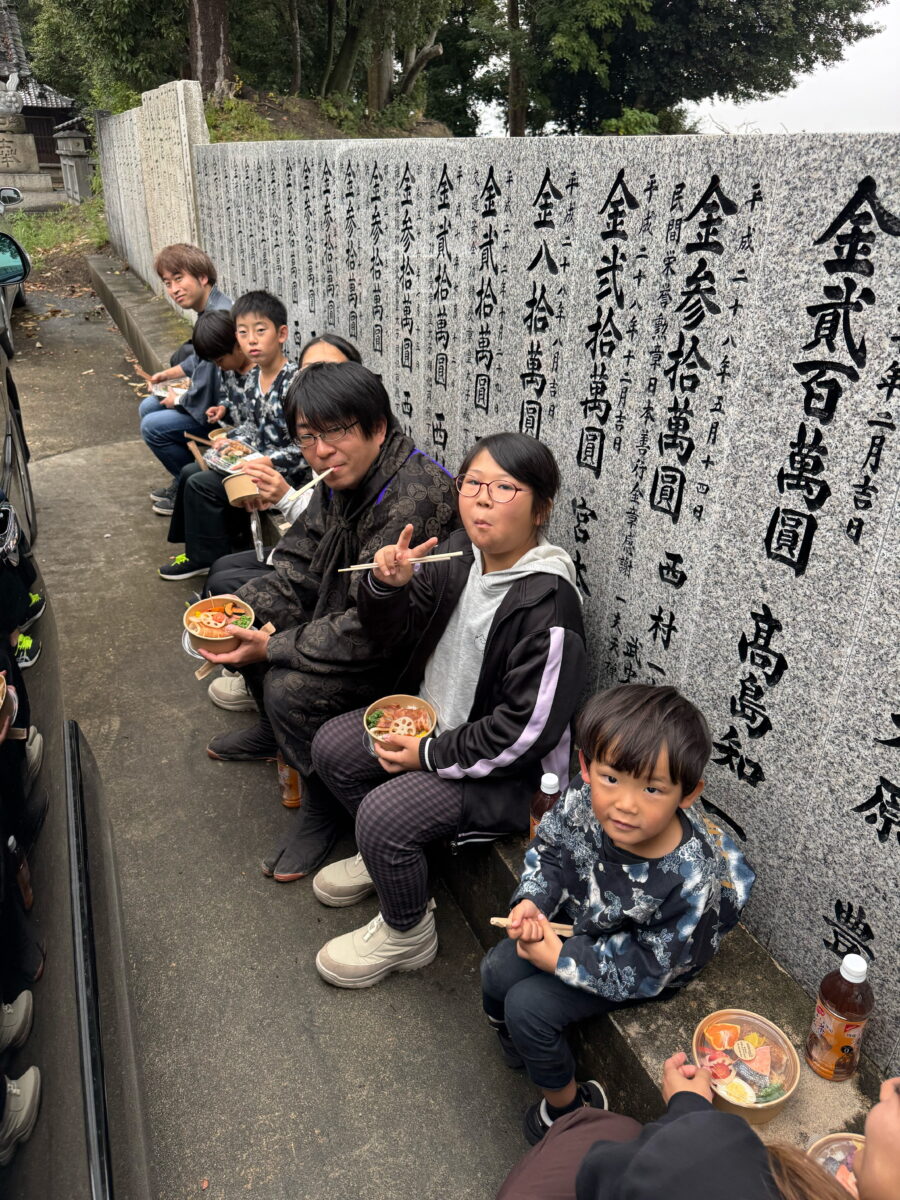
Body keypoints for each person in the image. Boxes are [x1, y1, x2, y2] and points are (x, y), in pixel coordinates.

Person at [307, 432, 587, 988]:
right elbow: (394, 637)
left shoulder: (548, 606)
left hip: (511, 775)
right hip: (433, 726)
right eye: (473, 483)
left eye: (504, 487)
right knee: (333, 749)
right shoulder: (460, 555)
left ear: (542, 508)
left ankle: (407, 931)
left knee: (384, 814)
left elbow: (523, 734)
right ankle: (384, 858)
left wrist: (427, 755)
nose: (481, 498)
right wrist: (389, 588)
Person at [480, 683, 756, 1144]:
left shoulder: (690, 878)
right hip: (582, 917)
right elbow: (550, 849)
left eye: (652, 788)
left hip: (638, 959)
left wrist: (564, 961)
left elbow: (652, 966)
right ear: (587, 767)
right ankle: (513, 1038)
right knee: (498, 968)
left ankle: (567, 1109)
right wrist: (532, 901)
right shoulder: (584, 797)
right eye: (611, 778)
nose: (625, 804)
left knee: (528, 1008)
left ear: (687, 793)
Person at [195, 361, 458, 807]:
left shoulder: (414, 495)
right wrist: (242, 614)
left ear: (377, 428)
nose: (320, 452)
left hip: (398, 647)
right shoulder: (340, 472)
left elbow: (371, 629)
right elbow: (302, 557)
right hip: (346, 616)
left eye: (335, 432)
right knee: (244, 612)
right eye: (307, 436)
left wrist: (274, 647)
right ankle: (273, 733)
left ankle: (325, 807)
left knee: (286, 686)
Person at [202, 332, 362, 713]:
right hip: (308, 558)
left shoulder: (352, 445)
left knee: (234, 584)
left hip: (334, 584)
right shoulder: (317, 436)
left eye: (331, 371)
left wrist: (285, 495)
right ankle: (249, 678)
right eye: (309, 372)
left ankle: (260, 684)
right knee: (225, 577)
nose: (320, 448)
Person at [495, 1051, 859, 1200]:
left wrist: (691, 1109)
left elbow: (604, 1172)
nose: (892, 1086)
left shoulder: (723, 1165)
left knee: (591, 1128)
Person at [158, 292, 302, 581]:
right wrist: (231, 440)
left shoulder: (295, 383)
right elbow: (250, 426)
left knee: (200, 484)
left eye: (260, 331)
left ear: (282, 333)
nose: (251, 340)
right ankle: (196, 551)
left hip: (283, 477)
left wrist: (263, 459)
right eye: (243, 332)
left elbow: (303, 449)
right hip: (252, 466)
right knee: (189, 471)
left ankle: (208, 559)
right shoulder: (252, 379)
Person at [137, 244, 231, 514]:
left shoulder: (219, 316)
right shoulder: (211, 308)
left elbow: (208, 392)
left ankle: (189, 486)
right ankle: (183, 479)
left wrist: (177, 397)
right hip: (213, 400)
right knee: (147, 407)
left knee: (153, 426)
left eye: (179, 279)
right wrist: (170, 374)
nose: (173, 289)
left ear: (203, 277)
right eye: (167, 283)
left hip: (224, 412)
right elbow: (202, 358)